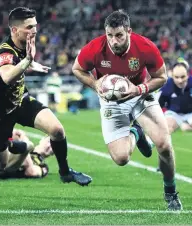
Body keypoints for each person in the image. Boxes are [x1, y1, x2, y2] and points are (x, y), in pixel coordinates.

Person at [0, 7, 92, 197]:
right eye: (29, 27)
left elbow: (21, 60)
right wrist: (28, 61)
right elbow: (7, 76)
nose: (35, 30)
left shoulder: (24, 44)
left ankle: (65, 173)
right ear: (14, 30)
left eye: (35, 26)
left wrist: (31, 63)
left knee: (57, 130)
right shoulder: (4, 52)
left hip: (20, 101)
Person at [72, 9, 181, 210]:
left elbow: (162, 77)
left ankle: (171, 192)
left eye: (119, 35)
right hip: (111, 101)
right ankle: (136, 133)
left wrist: (139, 88)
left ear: (129, 32)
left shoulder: (145, 47)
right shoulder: (95, 48)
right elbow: (77, 69)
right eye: (110, 35)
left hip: (140, 95)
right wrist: (95, 84)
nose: (114, 41)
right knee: (121, 158)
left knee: (164, 145)